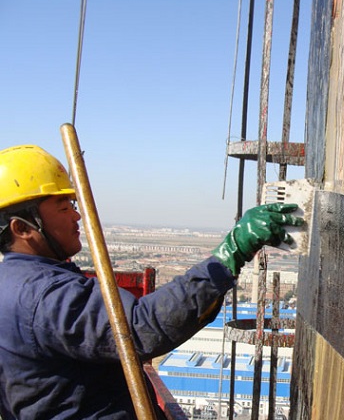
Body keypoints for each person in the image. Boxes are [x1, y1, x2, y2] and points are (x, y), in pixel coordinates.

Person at [0, 144, 304, 419]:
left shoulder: (12, 283)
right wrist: (231, 253)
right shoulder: (43, 294)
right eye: (64, 208)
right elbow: (138, 328)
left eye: (74, 206)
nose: (76, 217)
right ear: (22, 228)